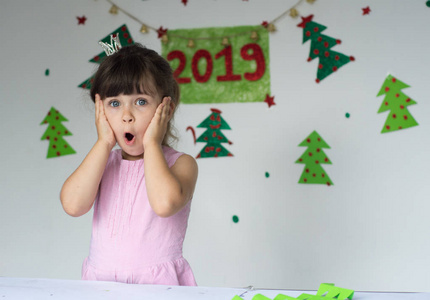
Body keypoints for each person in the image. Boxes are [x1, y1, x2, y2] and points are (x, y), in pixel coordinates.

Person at [60, 43, 198, 286]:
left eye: (141, 102)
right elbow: (72, 205)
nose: (127, 115)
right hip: (101, 283)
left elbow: (165, 204)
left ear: (165, 109)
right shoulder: (104, 162)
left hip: (158, 286)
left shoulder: (181, 164)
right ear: (100, 111)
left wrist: (153, 143)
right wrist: (103, 143)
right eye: (114, 103)